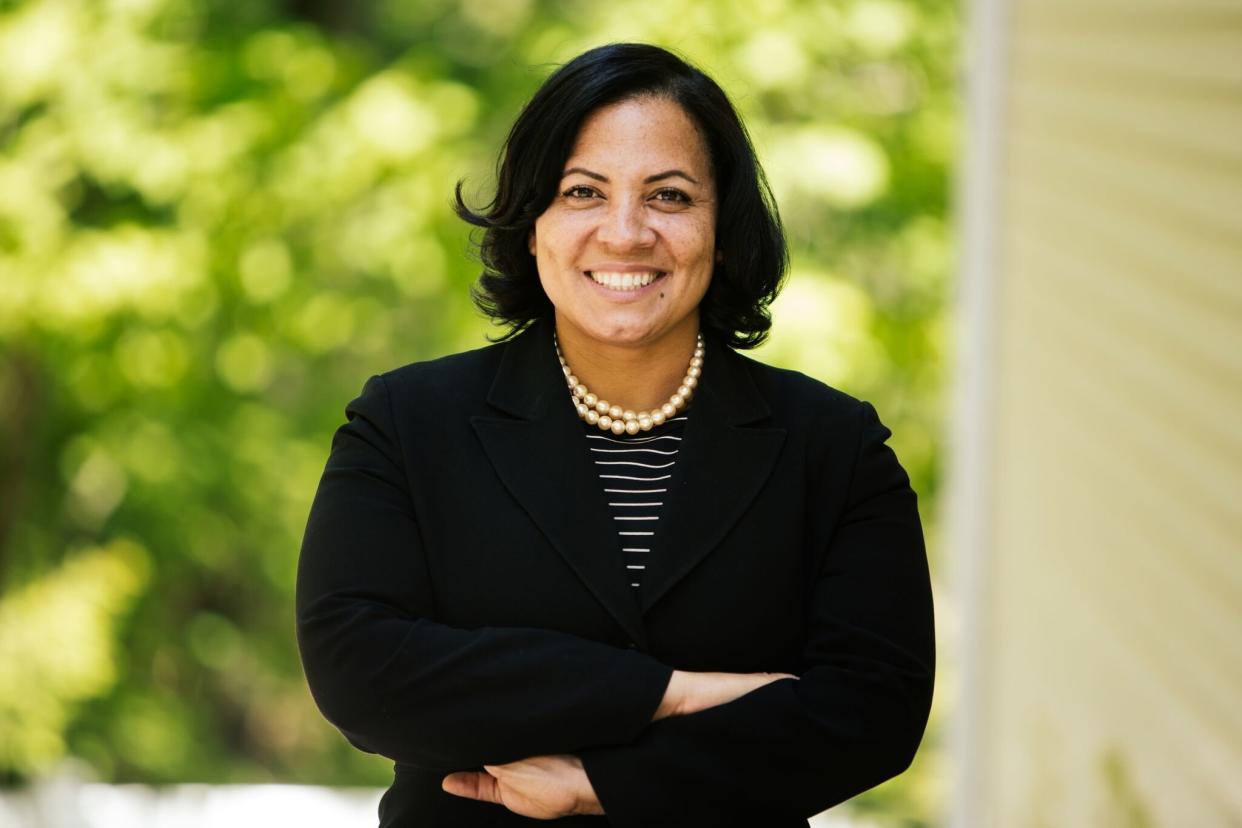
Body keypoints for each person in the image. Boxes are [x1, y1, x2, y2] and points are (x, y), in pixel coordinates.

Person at [296, 42, 935, 827]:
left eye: (668, 197)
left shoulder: (834, 448)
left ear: (722, 228)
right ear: (533, 226)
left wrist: (600, 784)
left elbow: (873, 712)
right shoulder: (404, 424)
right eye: (583, 192)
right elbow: (359, 669)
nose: (626, 233)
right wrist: (675, 694)